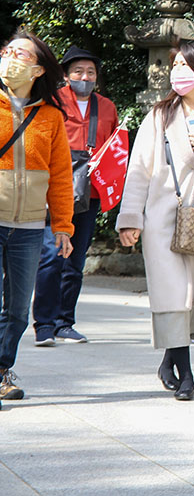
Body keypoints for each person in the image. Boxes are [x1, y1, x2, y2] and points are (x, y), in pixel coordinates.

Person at [117, 42, 194, 401]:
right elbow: (138, 170)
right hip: (162, 219)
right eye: (175, 65)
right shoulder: (158, 116)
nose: (178, 72)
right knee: (173, 292)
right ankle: (186, 373)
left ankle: (168, 361)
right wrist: (130, 218)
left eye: (186, 66)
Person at [0, 31, 74, 401]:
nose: (10, 58)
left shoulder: (50, 118)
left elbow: (61, 176)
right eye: (7, 51)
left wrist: (62, 225)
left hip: (28, 227)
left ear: (37, 69)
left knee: (16, 310)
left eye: (20, 54)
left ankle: (2, 370)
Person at [32, 46, 119, 346]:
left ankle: (64, 322)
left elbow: (114, 151)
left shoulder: (107, 107)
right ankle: (43, 323)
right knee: (51, 256)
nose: (85, 77)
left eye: (91, 72)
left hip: (90, 192)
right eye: (79, 71)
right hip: (56, 189)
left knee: (76, 260)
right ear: (66, 75)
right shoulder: (51, 103)